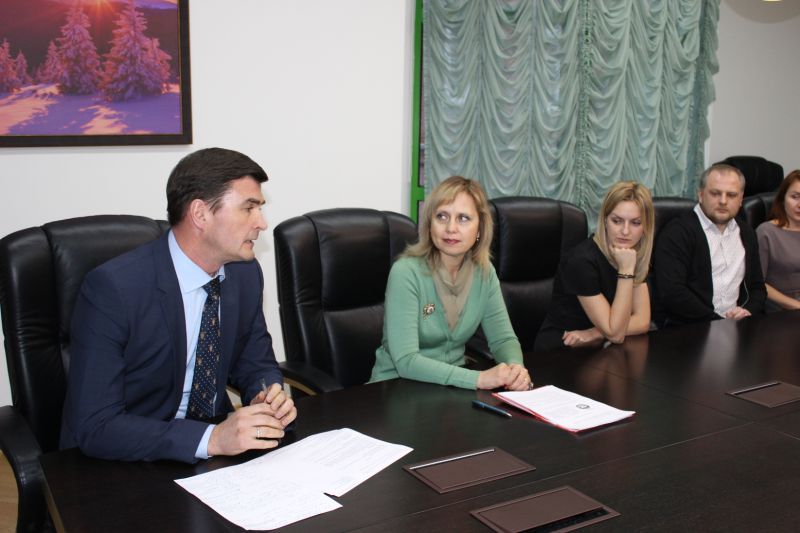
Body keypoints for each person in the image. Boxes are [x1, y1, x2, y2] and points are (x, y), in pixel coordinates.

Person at [60, 148, 297, 463]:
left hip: (213, 447)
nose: (262, 223)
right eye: (248, 208)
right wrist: (211, 439)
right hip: (124, 456)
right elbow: (96, 425)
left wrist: (266, 394)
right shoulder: (114, 288)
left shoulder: (244, 273)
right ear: (200, 214)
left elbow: (254, 361)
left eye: (260, 209)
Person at [370, 176, 532, 391]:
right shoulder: (406, 272)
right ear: (430, 224)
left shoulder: (484, 273)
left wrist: (515, 368)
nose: (451, 228)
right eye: (442, 216)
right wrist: (478, 379)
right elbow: (406, 361)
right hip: (394, 389)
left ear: (480, 228)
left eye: (463, 218)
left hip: (450, 390)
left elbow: (503, 340)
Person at [534, 181, 654, 352]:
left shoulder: (632, 255)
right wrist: (626, 271)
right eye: (617, 221)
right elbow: (616, 334)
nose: (625, 231)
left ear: (645, 227)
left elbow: (642, 321)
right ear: (605, 220)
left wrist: (595, 333)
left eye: (635, 223)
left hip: (600, 348)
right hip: (562, 350)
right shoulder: (581, 261)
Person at [653, 163, 766, 326]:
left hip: (738, 327)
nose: (723, 201)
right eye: (715, 193)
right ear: (700, 194)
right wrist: (718, 322)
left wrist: (747, 311)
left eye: (731, 195)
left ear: (741, 199)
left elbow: (757, 287)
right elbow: (673, 293)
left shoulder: (746, 233)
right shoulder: (677, 232)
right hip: (691, 329)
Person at [756, 170, 800, 312]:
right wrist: (796, 305)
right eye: (795, 197)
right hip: (780, 310)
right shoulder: (766, 232)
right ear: (782, 198)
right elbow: (757, 283)